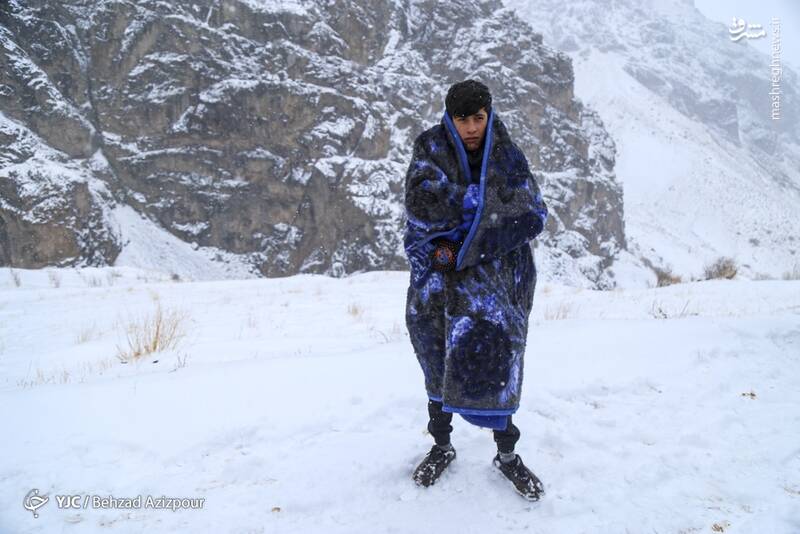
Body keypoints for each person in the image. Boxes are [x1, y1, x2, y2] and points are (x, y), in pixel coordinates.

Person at [403, 79, 548, 501]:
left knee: (493, 362)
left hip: (493, 286)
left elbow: (530, 213)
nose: (471, 127)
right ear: (450, 118)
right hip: (438, 281)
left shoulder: (507, 154)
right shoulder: (429, 148)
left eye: (478, 118)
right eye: (462, 119)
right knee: (437, 364)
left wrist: (464, 229)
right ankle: (441, 445)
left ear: (489, 115)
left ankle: (507, 456)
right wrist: (481, 208)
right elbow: (420, 205)